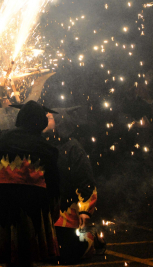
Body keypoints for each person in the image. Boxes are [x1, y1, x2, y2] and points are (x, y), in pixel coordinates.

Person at [0, 100, 60, 267]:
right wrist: (53, 210)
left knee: (5, 251)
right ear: (40, 121)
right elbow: (54, 183)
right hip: (29, 201)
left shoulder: (2, 136)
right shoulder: (47, 148)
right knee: (25, 253)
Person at [43, 112, 105, 265]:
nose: (44, 119)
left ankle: (90, 237)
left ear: (59, 122)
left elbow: (86, 182)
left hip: (65, 214)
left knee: (65, 255)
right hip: (44, 214)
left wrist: (85, 211)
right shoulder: (42, 144)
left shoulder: (72, 148)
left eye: (49, 117)